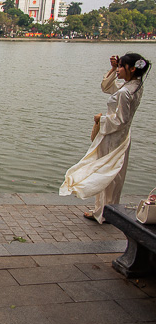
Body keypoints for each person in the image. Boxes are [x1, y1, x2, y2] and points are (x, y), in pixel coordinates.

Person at [61, 53, 151, 223]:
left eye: (120, 66)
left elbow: (120, 120)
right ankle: (105, 210)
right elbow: (107, 87)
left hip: (113, 137)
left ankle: (104, 212)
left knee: (108, 175)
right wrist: (112, 69)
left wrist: (99, 119)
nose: (117, 69)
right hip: (122, 137)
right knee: (113, 175)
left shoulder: (125, 92)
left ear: (132, 69)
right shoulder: (135, 86)